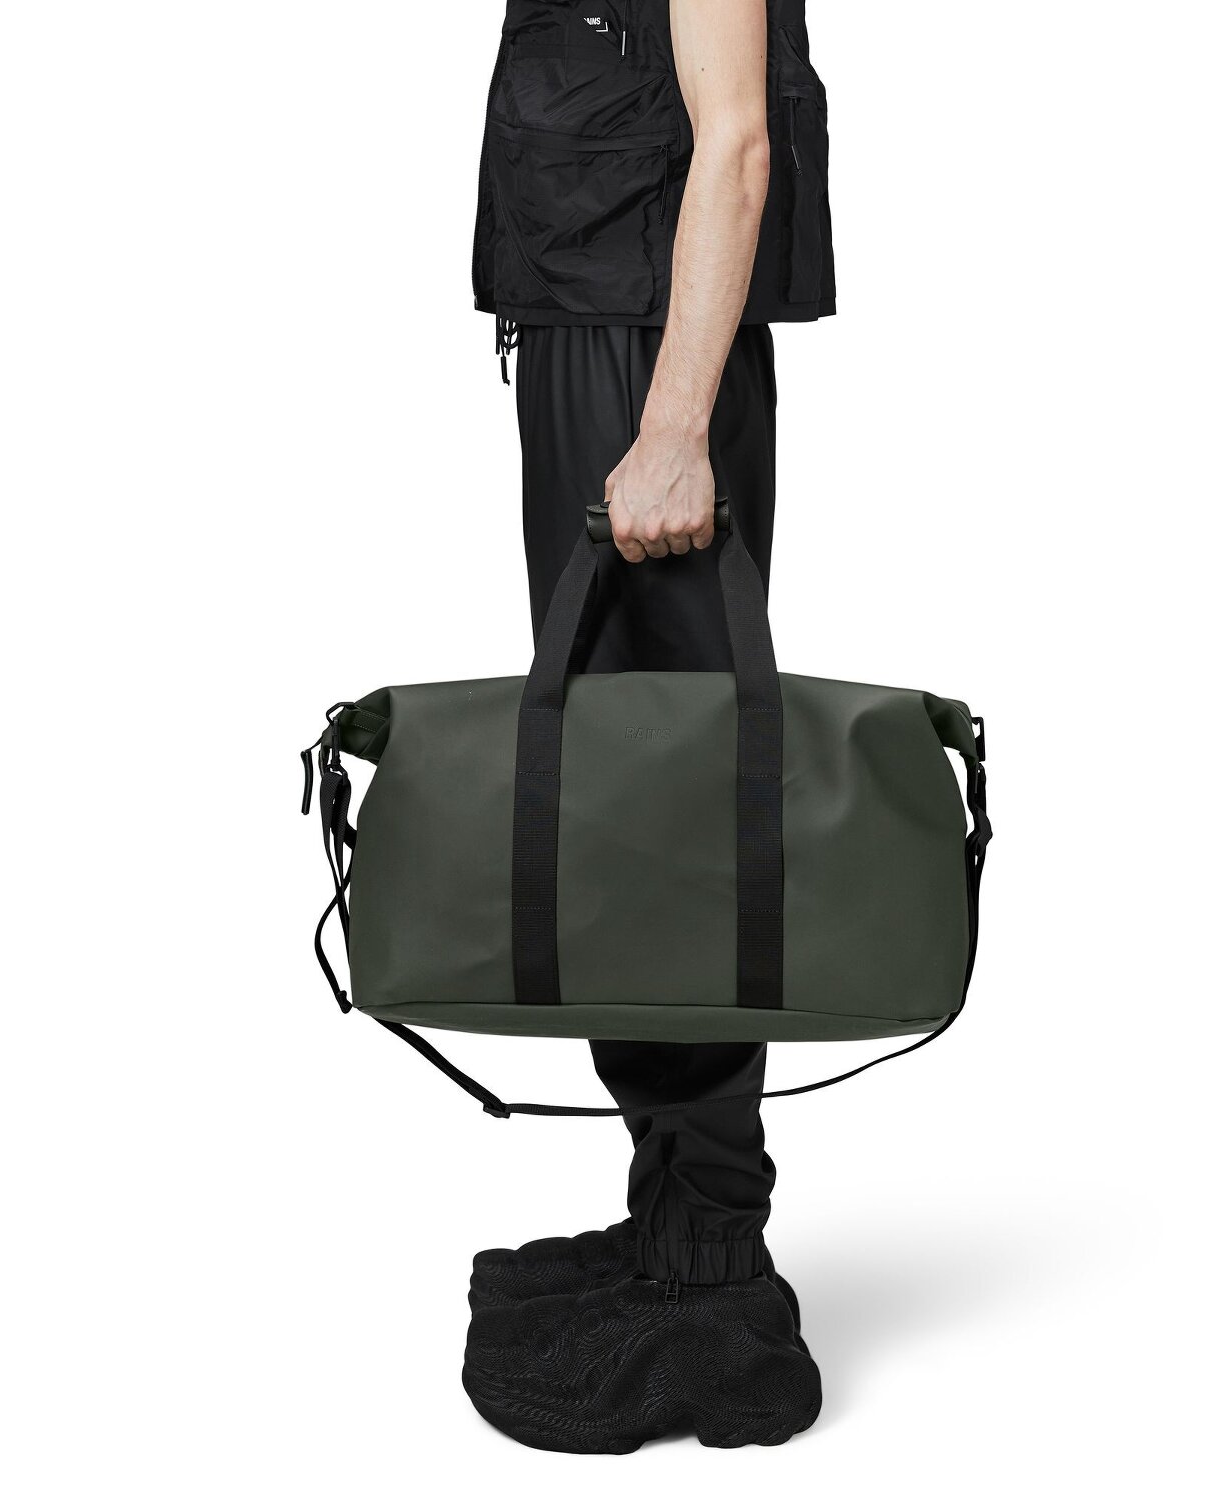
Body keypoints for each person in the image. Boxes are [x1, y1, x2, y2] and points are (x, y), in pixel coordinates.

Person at [462, 0, 836, 1453]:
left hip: (650, 364)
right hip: (604, 338)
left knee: (665, 823)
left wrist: (675, 426)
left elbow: (734, 141)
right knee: (622, 813)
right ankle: (673, 1212)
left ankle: (711, 1276)